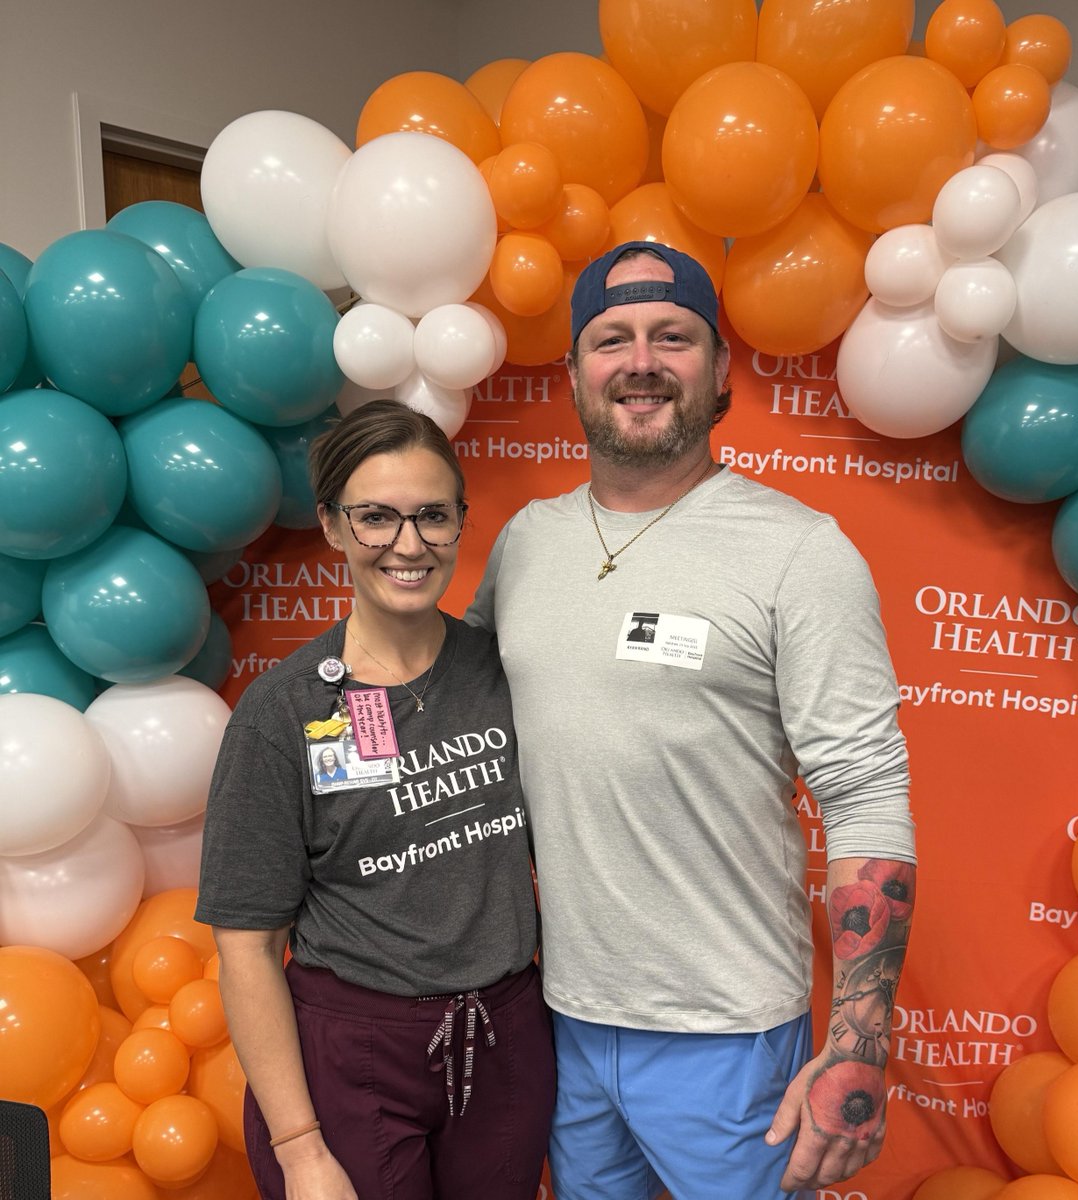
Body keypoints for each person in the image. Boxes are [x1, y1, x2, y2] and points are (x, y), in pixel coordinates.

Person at [467, 241, 917, 1200]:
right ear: (576, 373)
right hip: (563, 1015)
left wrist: (858, 1044)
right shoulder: (525, 544)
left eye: (673, 337)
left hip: (729, 1033)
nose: (640, 361)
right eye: (611, 338)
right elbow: (454, 714)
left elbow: (867, 793)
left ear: (718, 371)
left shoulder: (800, 552)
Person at [196, 401, 554, 1200]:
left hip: (505, 1042)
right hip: (352, 1059)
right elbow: (247, 947)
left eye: (432, 516)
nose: (408, 544)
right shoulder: (281, 712)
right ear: (330, 526)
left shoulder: (510, 674)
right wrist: (299, 1151)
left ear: (461, 521)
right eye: (376, 518)